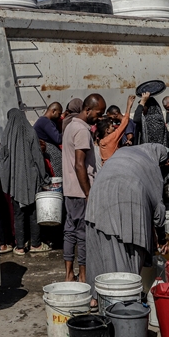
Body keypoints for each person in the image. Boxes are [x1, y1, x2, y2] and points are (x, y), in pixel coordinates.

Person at [84, 144, 169, 307]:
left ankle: (96, 299)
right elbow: (159, 209)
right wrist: (161, 238)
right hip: (124, 199)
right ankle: (124, 301)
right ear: (165, 162)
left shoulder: (127, 152)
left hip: (97, 196)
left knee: (101, 249)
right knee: (127, 252)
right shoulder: (152, 166)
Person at [62, 94, 105, 283]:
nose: (100, 117)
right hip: (81, 191)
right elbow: (79, 164)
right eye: (98, 113)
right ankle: (83, 275)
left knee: (70, 231)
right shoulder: (81, 130)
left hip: (70, 190)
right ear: (87, 110)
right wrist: (88, 193)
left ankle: (69, 274)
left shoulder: (70, 126)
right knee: (83, 234)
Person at [0, 109, 50, 256]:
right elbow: (38, 157)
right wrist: (44, 178)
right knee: (33, 213)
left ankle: (20, 247)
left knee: (18, 214)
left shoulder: (6, 135)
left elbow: (2, 160)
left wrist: (6, 182)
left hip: (15, 183)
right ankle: (35, 244)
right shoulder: (30, 132)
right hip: (32, 181)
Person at [95, 96, 136, 165]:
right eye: (111, 126)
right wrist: (129, 106)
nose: (114, 127)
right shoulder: (112, 138)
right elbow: (124, 123)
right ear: (107, 130)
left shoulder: (101, 141)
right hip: (113, 165)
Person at [34, 102, 64, 175]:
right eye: (59, 114)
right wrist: (68, 132)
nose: (60, 116)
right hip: (50, 155)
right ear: (53, 111)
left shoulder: (44, 121)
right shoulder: (45, 121)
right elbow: (58, 139)